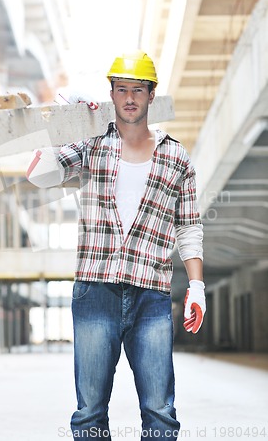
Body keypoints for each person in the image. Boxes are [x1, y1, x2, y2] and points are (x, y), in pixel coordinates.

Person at [26, 51, 206, 441]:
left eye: (137, 90)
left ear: (151, 95)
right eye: (121, 90)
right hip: (95, 290)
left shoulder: (176, 158)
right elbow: (39, 175)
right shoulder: (93, 146)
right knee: (89, 413)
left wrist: (197, 287)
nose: (129, 98)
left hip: (152, 296)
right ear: (111, 95)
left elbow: (189, 227)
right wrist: (65, 121)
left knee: (160, 412)